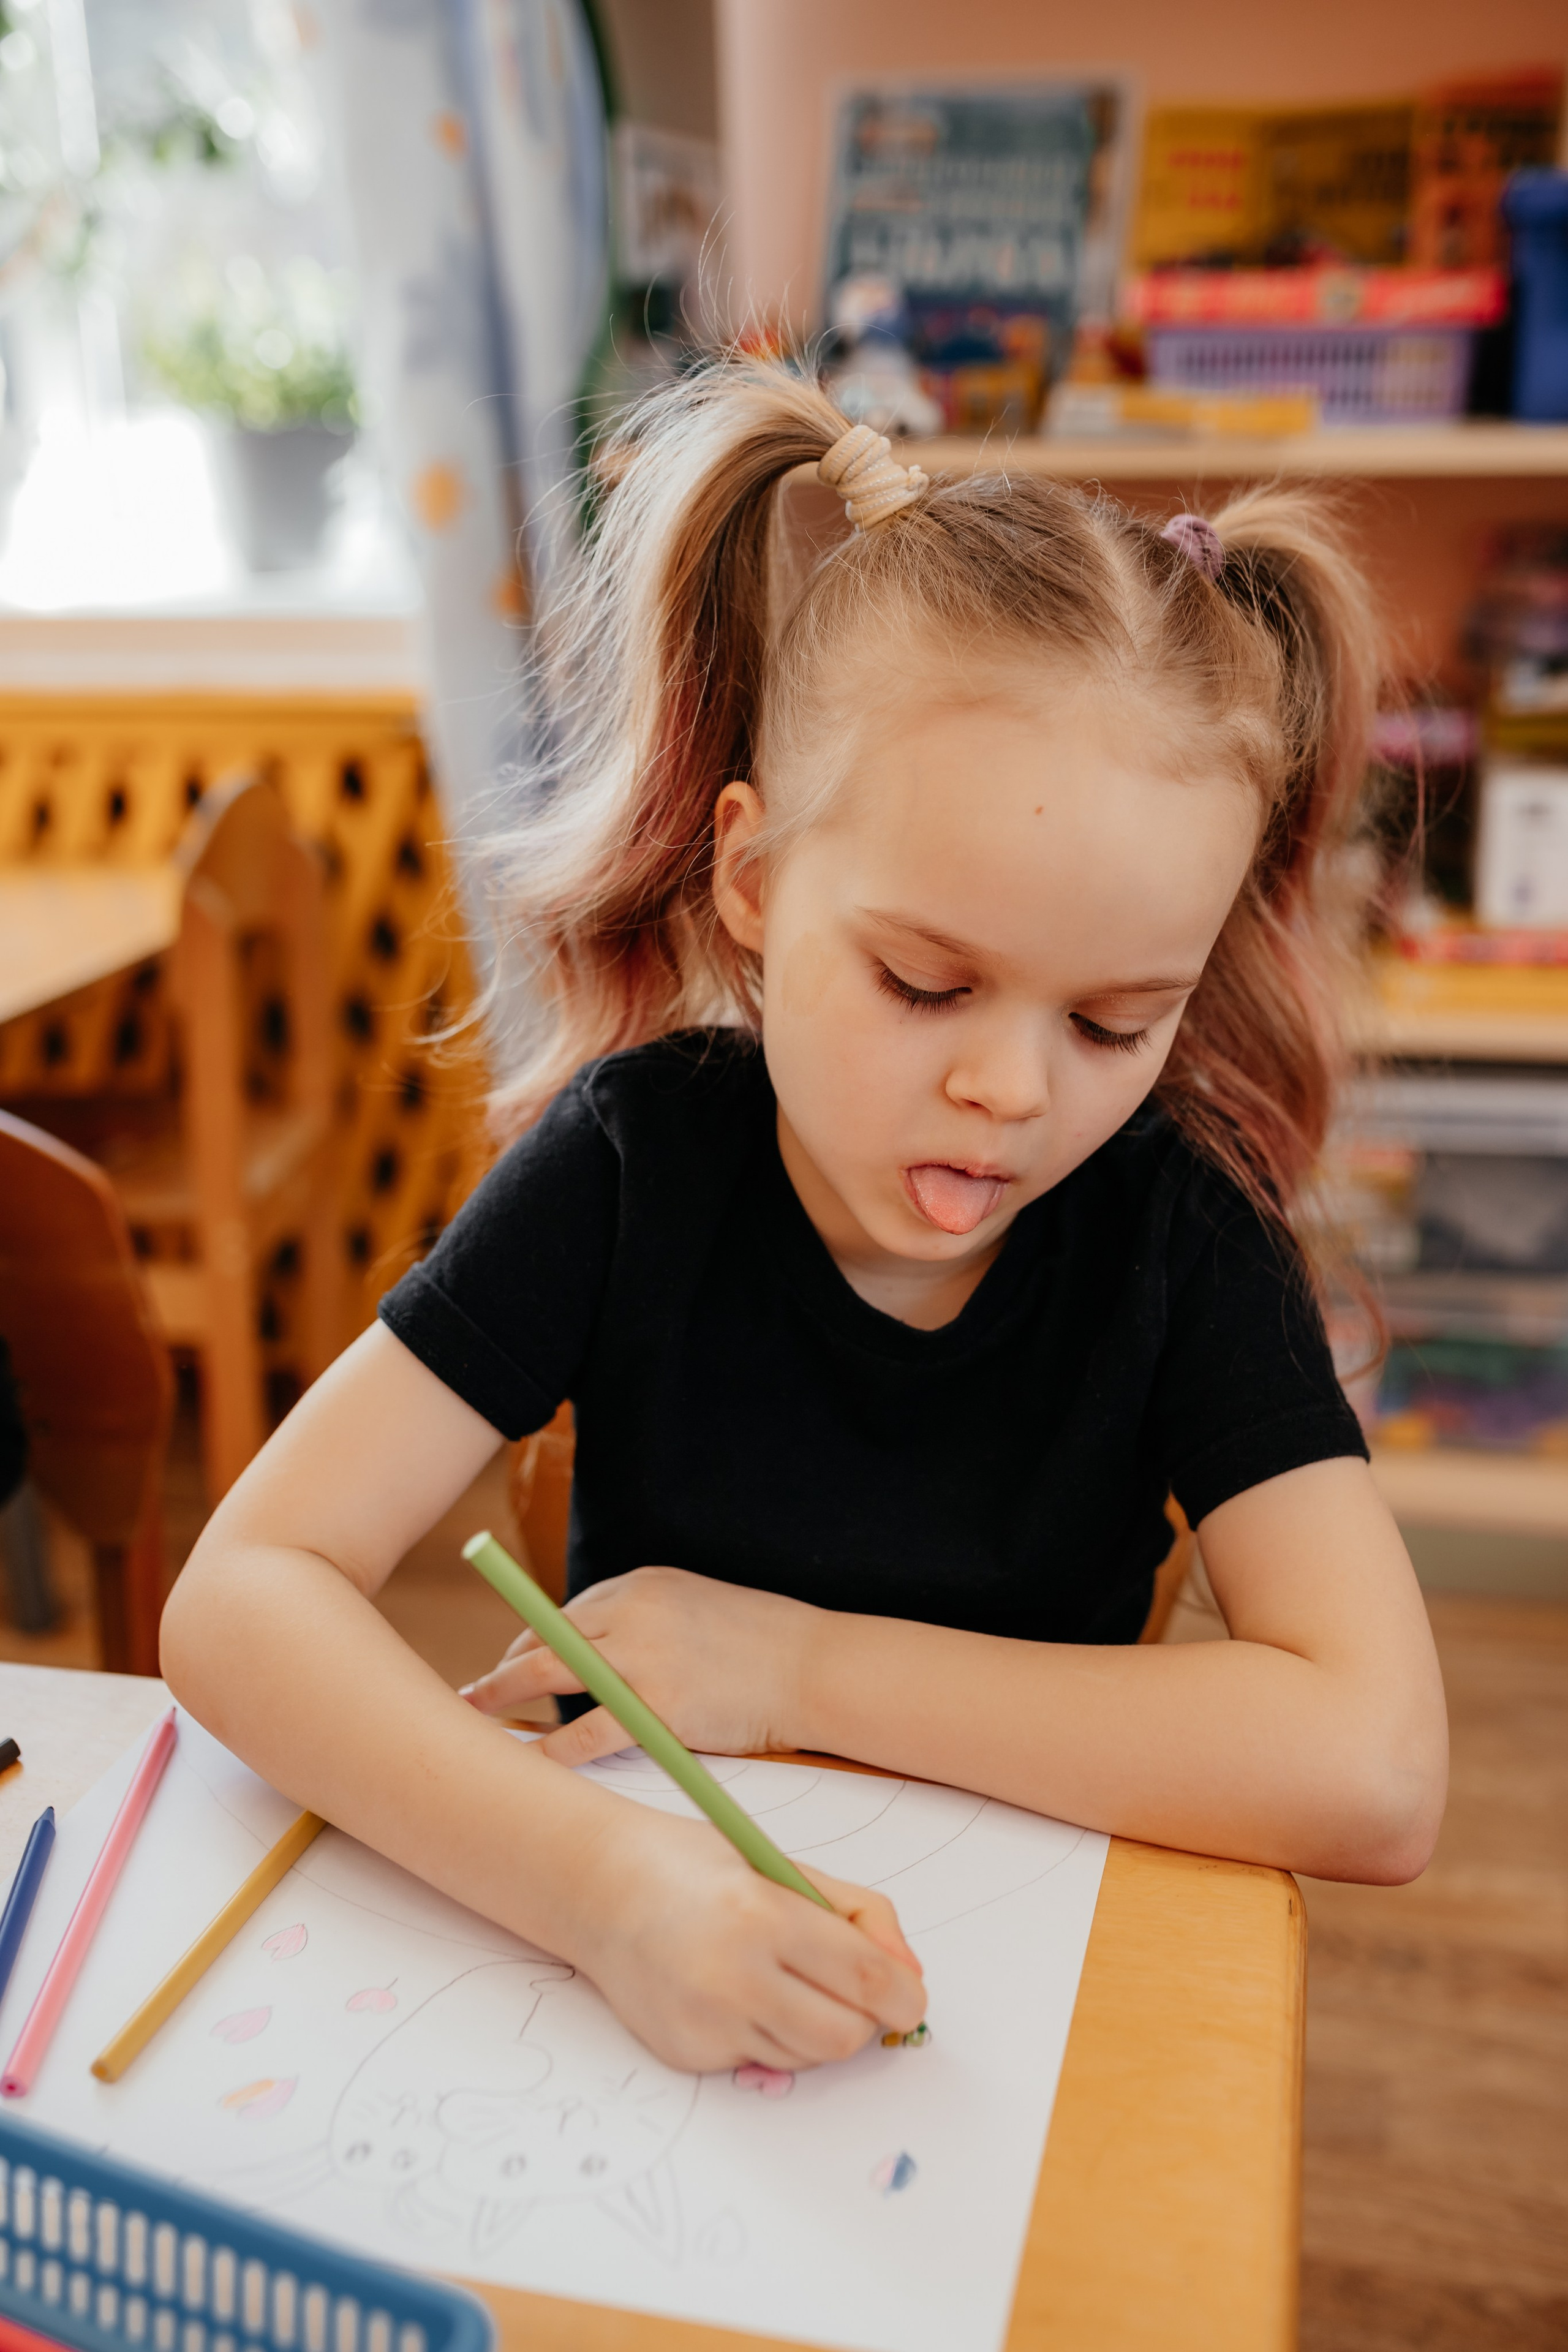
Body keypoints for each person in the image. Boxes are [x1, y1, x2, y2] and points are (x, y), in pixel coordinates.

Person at [163, 361, 1447, 2074]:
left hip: (1011, 2019)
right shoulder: (637, 1166)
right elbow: (241, 1593)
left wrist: (793, 1668)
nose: (1012, 1091)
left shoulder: (1178, 1241)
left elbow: (1374, 1769)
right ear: (755, 884)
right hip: (627, 1980)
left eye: (1112, 1024)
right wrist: (608, 1889)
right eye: (928, 984)